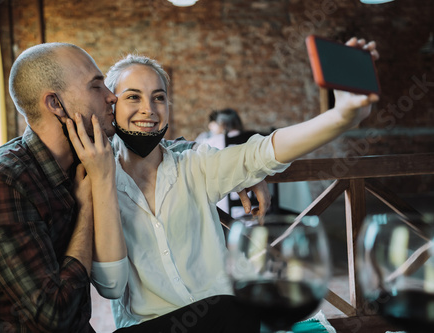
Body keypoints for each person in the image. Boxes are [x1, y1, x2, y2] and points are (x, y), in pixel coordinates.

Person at [86, 37, 379, 332]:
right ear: (112, 104)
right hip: (149, 327)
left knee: (234, 308)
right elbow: (109, 284)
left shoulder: (195, 164)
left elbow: (262, 152)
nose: (148, 109)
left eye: (159, 97)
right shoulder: (97, 177)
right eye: (133, 97)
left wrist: (341, 117)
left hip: (226, 322)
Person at [0, 42, 126, 332]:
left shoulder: (85, 161)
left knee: (220, 310)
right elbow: (54, 315)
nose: (112, 96)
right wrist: (87, 207)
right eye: (96, 87)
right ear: (55, 104)